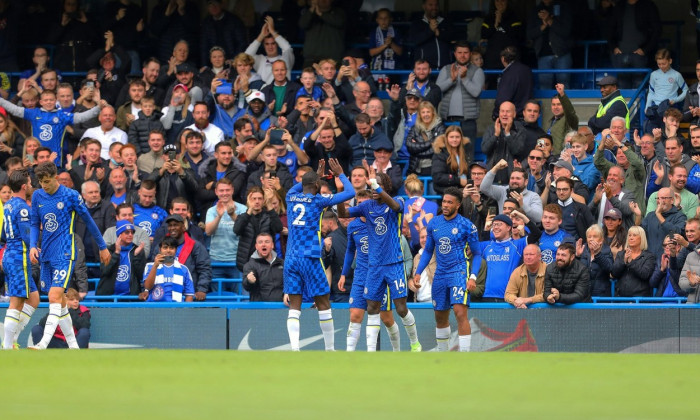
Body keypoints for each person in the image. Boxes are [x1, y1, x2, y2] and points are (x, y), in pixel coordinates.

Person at [29, 162, 110, 350]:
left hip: (65, 252)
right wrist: (33, 246)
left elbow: (89, 222)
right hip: (46, 254)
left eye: (47, 181)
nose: (44, 185)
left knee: (54, 295)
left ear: (56, 177)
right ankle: (73, 346)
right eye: (41, 181)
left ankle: (43, 344)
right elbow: (34, 223)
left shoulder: (70, 196)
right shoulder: (37, 195)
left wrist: (102, 246)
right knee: (60, 302)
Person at [345, 168, 422, 352]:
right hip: (374, 266)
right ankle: (371, 353)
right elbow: (345, 213)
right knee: (372, 307)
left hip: (394, 263)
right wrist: (343, 193)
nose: (372, 188)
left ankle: (415, 343)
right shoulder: (366, 205)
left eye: (376, 184)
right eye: (370, 185)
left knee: (401, 309)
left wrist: (376, 186)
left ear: (384, 186)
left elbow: (396, 207)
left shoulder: (398, 201)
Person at [284, 159, 355, 351]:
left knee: (294, 306)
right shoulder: (318, 201)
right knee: (323, 302)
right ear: (317, 186)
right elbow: (350, 193)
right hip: (310, 256)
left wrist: (316, 175)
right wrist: (340, 174)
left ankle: (294, 349)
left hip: (291, 258)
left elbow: (305, 185)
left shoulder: (290, 196)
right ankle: (330, 349)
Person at [412, 187, 482, 352]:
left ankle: (464, 355)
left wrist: (472, 277)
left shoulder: (467, 226)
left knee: (459, 312)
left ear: (458, 205)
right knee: (440, 316)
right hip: (440, 274)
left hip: (459, 272)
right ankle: (444, 354)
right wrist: (418, 272)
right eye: (444, 201)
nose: (445, 205)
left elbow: (477, 254)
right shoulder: (434, 223)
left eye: (450, 202)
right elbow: (428, 250)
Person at [339, 189, 400, 351]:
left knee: (386, 318)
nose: (361, 207)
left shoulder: (381, 223)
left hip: (380, 274)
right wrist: (344, 274)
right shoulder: (353, 226)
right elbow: (350, 251)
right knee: (355, 315)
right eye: (358, 204)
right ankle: (349, 354)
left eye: (364, 203)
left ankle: (397, 351)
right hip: (361, 275)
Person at [0, 91, 106, 166]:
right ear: (41, 102)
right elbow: (14, 109)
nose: (48, 102)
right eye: (46, 100)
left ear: (56, 101)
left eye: (51, 100)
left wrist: (97, 108)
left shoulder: (61, 115)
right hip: (35, 160)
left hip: (55, 161)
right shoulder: (33, 113)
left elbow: (81, 117)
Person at [2, 169, 39, 349]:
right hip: (19, 257)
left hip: (10, 255)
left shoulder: (7, 205)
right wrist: (35, 248)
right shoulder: (23, 207)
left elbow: (3, 233)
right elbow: (26, 234)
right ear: (24, 186)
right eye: (30, 183)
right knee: (16, 302)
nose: (31, 185)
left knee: (34, 299)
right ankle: (7, 346)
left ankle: (13, 337)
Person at [435, 41, 484, 161]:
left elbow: (476, 92)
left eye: (466, 53)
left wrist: (464, 79)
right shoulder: (446, 69)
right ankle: (449, 179)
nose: (462, 55)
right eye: (460, 52)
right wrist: (451, 80)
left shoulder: (477, 71)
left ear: (470, 54)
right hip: (448, 121)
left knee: (467, 155)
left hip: (468, 121)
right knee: (447, 155)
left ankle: (467, 180)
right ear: (455, 54)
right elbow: (437, 90)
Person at [150, 214, 210, 301]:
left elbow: (204, 269)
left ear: (183, 227)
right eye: (170, 225)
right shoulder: (160, 246)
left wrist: (201, 289)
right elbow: (153, 268)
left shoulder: (195, 246)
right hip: (163, 295)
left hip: (187, 295)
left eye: (176, 225)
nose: (172, 228)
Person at [205, 178, 247, 287]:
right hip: (216, 259)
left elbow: (245, 230)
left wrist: (232, 214)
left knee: (240, 297)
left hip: (237, 260)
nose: (225, 193)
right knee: (218, 299)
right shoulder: (211, 211)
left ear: (232, 190)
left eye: (227, 190)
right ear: (216, 192)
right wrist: (219, 216)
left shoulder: (243, 209)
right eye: (221, 190)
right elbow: (208, 232)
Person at [527, 0, 573, 89]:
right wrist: (543, 26)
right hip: (543, 55)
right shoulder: (535, 10)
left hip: (562, 54)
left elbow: (566, 31)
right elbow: (529, 34)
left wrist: (550, 20)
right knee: (544, 86)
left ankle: (565, 104)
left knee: (563, 85)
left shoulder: (563, 7)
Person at [481, 159, 543, 224]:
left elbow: (538, 217)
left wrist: (522, 205)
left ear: (526, 182)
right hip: (504, 231)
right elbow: (484, 188)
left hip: (524, 232)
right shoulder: (502, 191)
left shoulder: (533, 196)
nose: (514, 181)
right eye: (512, 178)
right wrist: (496, 168)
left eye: (518, 178)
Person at [96, 220, 146, 296]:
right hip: (109, 298)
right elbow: (105, 271)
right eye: (127, 232)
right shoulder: (109, 250)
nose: (130, 235)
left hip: (130, 298)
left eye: (132, 232)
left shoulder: (137, 250)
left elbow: (140, 275)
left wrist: (136, 256)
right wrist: (116, 253)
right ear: (119, 235)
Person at [482, 101, 525, 185]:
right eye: (502, 111)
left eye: (508, 111)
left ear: (514, 114)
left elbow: (517, 150)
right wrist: (495, 135)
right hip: (493, 176)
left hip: (511, 177)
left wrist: (507, 133)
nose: (504, 114)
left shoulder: (520, 130)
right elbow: (484, 149)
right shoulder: (491, 129)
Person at [141, 236, 195, 303]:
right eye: (165, 247)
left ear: (176, 250)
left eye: (171, 248)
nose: (168, 250)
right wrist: (155, 266)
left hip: (176, 308)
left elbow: (189, 294)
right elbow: (148, 287)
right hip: (154, 307)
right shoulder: (149, 266)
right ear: (160, 249)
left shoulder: (184, 269)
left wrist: (185, 311)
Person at [245, 15, 294, 85]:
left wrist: (272, 31)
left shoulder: (285, 59)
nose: (270, 47)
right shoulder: (260, 59)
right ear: (263, 46)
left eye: (273, 43)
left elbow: (287, 48)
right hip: (264, 93)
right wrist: (261, 35)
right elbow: (246, 56)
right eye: (267, 44)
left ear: (277, 44)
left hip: (283, 93)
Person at [407, 0, 456, 69]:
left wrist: (439, 33)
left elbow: (453, 37)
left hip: (445, 68)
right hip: (424, 70)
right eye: (430, 5)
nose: (434, 7)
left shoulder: (446, 21)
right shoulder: (417, 23)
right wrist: (430, 31)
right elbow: (414, 40)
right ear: (424, 6)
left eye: (436, 5)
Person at [641, 187, 687, 258]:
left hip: (668, 260)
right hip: (649, 261)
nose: (660, 201)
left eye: (663, 198)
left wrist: (659, 215)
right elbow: (641, 233)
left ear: (672, 200)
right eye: (658, 198)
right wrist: (638, 216)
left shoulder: (679, 216)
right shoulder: (650, 216)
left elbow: (674, 235)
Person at [611, 226, 656, 297]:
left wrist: (631, 262)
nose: (631, 238)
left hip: (640, 299)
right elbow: (614, 273)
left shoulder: (649, 256)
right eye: (629, 235)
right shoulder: (621, 254)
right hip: (621, 298)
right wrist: (624, 261)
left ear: (642, 238)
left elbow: (645, 274)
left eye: (634, 235)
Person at [298, 0, 346, 66]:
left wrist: (321, 14)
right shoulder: (309, 13)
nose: (323, 0)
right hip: (312, 58)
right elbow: (302, 24)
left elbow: (339, 22)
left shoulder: (339, 12)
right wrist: (312, 8)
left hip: (333, 58)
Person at [493, 46, 533, 120]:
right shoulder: (527, 70)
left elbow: (503, 98)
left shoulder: (508, 74)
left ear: (503, 59)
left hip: (512, 118)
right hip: (526, 115)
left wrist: (495, 114)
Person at [242, 232, 284, 301]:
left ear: (272, 245)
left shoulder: (283, 263)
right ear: (256, 246)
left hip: (282, 307)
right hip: (260, 308)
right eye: (260, 242)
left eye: (267, 242)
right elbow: (247, 287)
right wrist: (249, 281)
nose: (263, 245)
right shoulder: (250, 265)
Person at [576, 224, 614, 297]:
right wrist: (577, 256)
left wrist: (598, 254)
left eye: (595, 236)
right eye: (589, 237)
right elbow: (574, 272)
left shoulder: (607, 251)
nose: (591, 239)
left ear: (602, 239)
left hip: (601, 294)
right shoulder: (582, 250)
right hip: (583, 293)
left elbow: (609, 269)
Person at [431, 125, 470, 196]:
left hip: (465, 190)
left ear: (461, 138)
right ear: (446, 138)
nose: (454, 140)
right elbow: (438, 177)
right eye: (451, 137)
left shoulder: (465, 152)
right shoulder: (440, 154)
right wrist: (459, 181)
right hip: (447, 193)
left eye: (457, 137)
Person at [505, 244, 547, 308]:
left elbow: (548, 294)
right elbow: (508, 294)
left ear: (539, 256)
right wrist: (516, 301)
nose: (528, 257)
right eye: (526, 255)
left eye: (531, 254)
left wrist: (529, 300)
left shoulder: (548, 270)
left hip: (545, 311)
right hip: (523, 310)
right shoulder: (517, 272)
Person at [369, 8, 403, 73]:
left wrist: (391, 43)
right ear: (377, 20)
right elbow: (371, 53)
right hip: (378, 67)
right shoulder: (373, 32)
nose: (383, 20)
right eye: (381, 18)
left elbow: (400, 52)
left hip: (394, 68)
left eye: (386, 18)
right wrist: (385, 45)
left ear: (390, 19)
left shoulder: (396, 32)